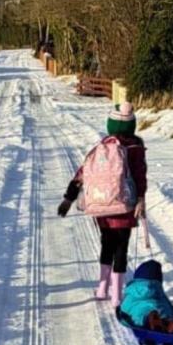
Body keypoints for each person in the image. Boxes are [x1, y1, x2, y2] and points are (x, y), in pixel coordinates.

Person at [57, 102, 147, 306]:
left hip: (102, 206)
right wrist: (141, 198)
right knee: (121, 249)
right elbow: (140, 177)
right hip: (125, 206)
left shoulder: (103, 146)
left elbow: (82, 173)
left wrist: (68, 198)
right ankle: (116, 296)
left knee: (106, 244)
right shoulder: (135, 148)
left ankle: (102, 288)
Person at [118, 260, 173, 335]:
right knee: (163, 307)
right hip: (158, 307)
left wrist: (121, 310)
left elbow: (123, 308)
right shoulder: (158, 290)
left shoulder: (132, 290)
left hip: (139, 310)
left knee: (136, 310)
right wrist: (172, 317)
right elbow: (169, 306)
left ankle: (146, 320)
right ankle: (166, 321)